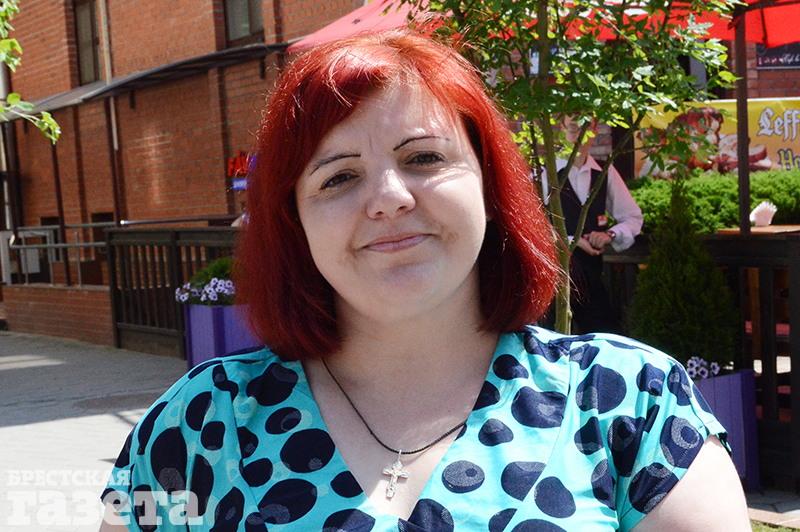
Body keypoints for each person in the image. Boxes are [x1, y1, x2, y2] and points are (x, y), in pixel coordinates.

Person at [100, 31, 749, 531]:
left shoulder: (631, 404)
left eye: (423, 158)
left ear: (489, 187)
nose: (389, 197)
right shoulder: (198, 424)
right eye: (339, 176)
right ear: (294, 223)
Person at [540, 117, 644, 334]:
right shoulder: (544, 173)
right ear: (562, 128)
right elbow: (532, 227)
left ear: (595, 129)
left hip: (592, 278)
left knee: (604, 335)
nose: (579, 135)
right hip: (552, 281)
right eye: (573, 127)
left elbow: (633, 217)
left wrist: (610, 234)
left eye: (585, 127)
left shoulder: (605, 172)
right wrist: (573, 241)